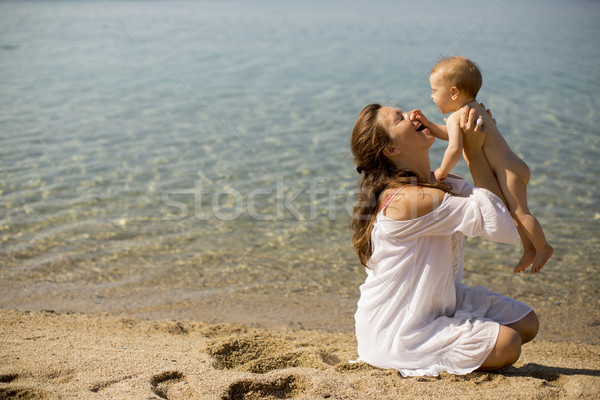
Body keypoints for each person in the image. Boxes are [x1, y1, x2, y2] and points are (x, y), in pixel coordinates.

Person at [350, 104, 539, 376]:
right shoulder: (409, 200)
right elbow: (498, 223)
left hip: (439, 299)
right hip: (399, 328)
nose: (413, 113)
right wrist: (472, 151)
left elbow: (497, 204)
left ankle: (457, 327)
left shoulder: (437, 182)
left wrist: (489, 139)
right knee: (509, 344)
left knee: (526, 323)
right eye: (400, 118)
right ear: (391, 149)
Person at [416, 56, 552, 273]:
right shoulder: (475, 108)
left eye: (434, 91)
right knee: (513, 212)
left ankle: (543, 248)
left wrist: (442, 171)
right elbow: (450, 134)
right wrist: (427, 124)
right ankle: (529, 249)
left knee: (520, 212)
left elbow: (454, 148)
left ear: (453, 93)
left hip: (508, 171)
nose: (431, 96)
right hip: (512, 165)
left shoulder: (456, 117)